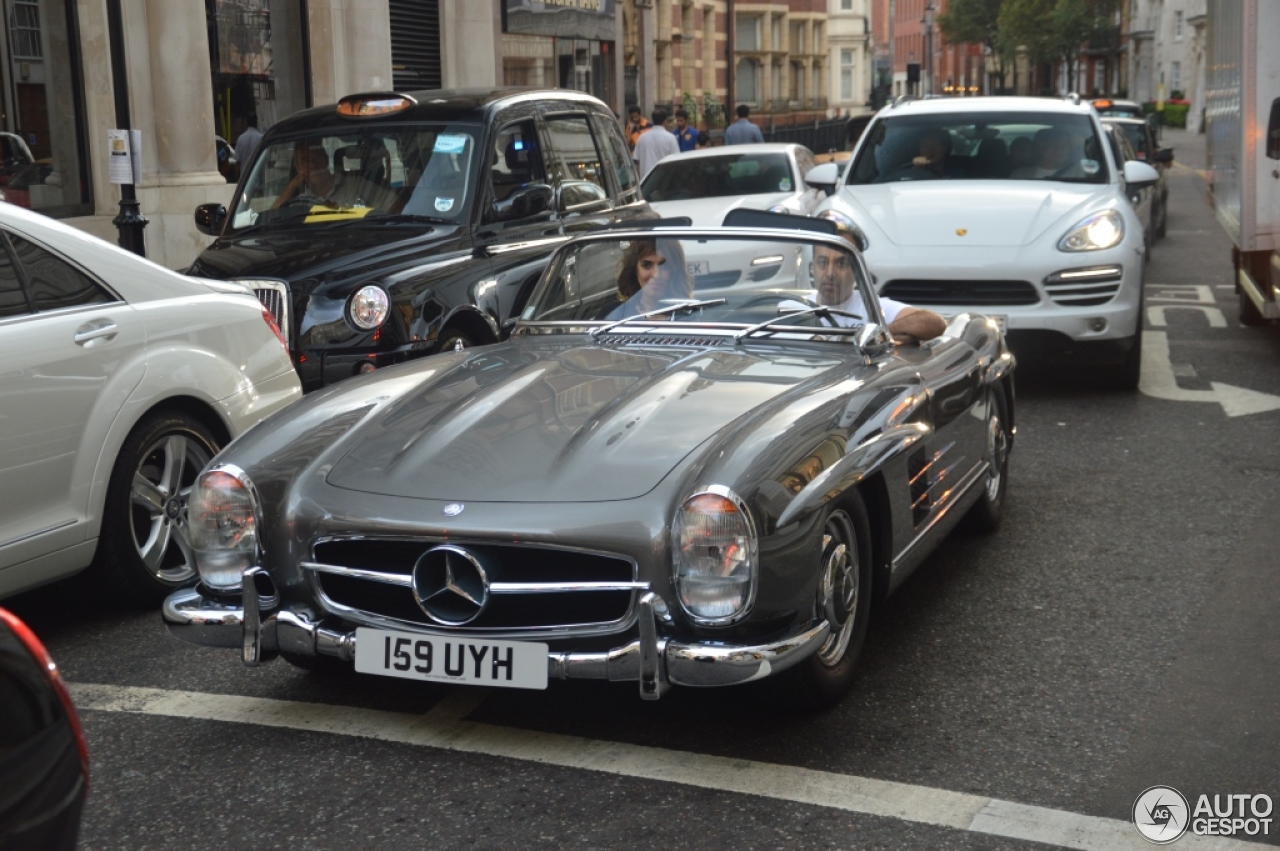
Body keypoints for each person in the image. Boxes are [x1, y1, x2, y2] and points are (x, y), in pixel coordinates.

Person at [809, 229, 946, 343]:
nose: (830, 273)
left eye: (841, 263)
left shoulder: (872, 307)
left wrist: (875, 335)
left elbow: (934, 323)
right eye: (822, 262)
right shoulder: (792, 308)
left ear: (857, 270)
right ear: (812, 268)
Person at [613, 238, 693, 316]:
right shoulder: (616, 316)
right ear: (634, 270)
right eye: (647, 265)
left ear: (675, 270)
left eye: (664, 266)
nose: (656, 275)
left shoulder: (690, 316)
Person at [272, 141, 335, 208]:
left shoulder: (347, 184)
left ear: (326, 160)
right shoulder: (301, 201)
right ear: (298, 167)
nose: (312, 165)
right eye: (305, 160)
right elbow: (273, 214)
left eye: (317, 157)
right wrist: (293, 184)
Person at [1011, 127, 1083, 179]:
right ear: (1042, 148)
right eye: (1054, 145)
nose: (1059, 149)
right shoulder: (1021, 174)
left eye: (1064, 146)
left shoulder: (1080, 172)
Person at [633, 109, 680, 180]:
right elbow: (676, 160)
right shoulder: (671, 138)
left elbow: (637, 161)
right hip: (665, 179)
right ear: (665, 121)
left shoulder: (642, 138)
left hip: (646, 180)